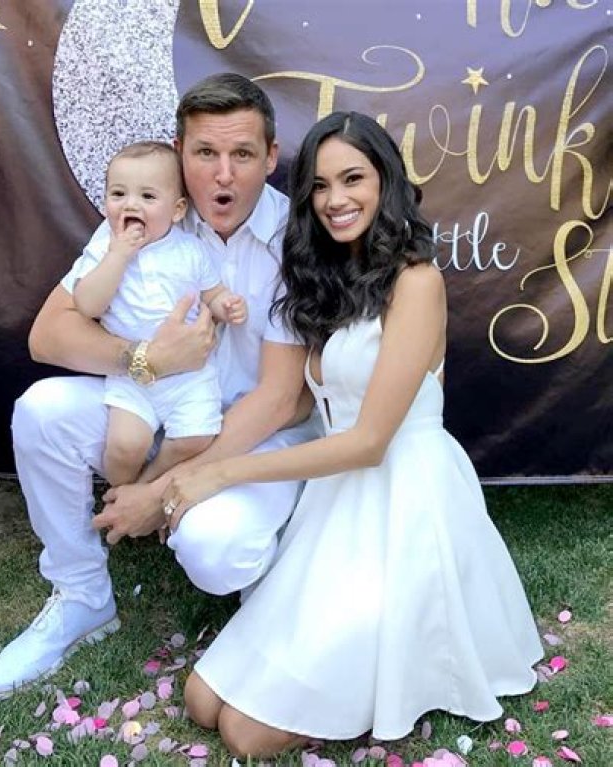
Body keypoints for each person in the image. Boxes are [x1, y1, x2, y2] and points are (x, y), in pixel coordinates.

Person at [161, 111, 544, 758]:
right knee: (201, 700)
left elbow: (369, 442)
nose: (335, 198)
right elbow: (299, 402)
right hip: (336, 505)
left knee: (245, 735)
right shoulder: (332, 281)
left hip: (404, 503)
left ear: (385, 181)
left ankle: (391, 669)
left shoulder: (416, 282)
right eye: (319, 185)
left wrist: (219, 472)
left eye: (352, 178)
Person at [0, 73, 320, 698]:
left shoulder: (297, 237)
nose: (223, 174)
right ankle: (82, 595)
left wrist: (159, 493)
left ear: (271, 157)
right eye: (205, 152)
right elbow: (48, 336)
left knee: (215, 551)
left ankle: (279, 570)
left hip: (256, 434)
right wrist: (145, 359)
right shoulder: (147, 213)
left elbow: (280, 399)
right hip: (156, 405)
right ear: (179, 152)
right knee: (41, 411)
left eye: (243, 154)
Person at [71, 141, 247, 486]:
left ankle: (146, 486)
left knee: (196, 438)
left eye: (147, 197)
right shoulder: (103, 249)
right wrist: (118, 256)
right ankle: (119, 492)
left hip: (190, 376)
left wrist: (225, 305)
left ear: (178, 210)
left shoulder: (190, 249)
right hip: (132, 377)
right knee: (125, 445)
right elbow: (88, 305)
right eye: (118, 194)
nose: (130, 204)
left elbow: (211, 292)